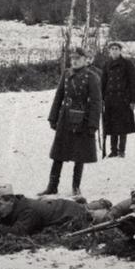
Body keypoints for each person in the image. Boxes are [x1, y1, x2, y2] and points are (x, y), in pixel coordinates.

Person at [40, 47, 102, 196]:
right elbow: (58, 96)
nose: (74, 61)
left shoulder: (92, 77)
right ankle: (52, 186)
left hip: (82, 119)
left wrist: (93, 124)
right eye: (72, 59)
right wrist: (53, 117)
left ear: (85, 60)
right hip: (65, 118)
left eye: (77, 59)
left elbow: (96, 102)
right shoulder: (66, 74)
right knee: (58, 154)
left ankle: (75, 187)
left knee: (79, 155)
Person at [0, 184, 90, 237]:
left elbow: (18, 233)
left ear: (10, 201)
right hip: (60, 205)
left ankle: (101, 204)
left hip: (71, 212)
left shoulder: (27, 211)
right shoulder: (17, 205)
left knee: (95, 214)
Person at [101, 41, 135, 158]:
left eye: (116, 48)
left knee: (122, 125)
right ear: (109, 51)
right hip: (110, 100)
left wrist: (133, 100)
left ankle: (121, 150)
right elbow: (103, 83)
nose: (114, 50)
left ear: (120, 50)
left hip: (123, 100)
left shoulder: (127, 64)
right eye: (112, 49)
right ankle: (113, 150)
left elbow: (134, 83)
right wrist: (102, 99)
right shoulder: (106, 65)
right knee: (111, 125)